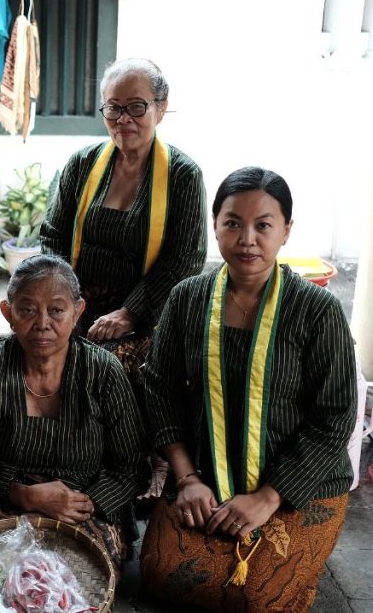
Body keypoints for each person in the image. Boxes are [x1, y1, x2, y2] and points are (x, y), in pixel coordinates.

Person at [140, 167, 356, 612]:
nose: (247, 239)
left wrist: (267, 497)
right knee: (163, 573)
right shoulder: (187, 298)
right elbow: (160, 390)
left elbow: (334, 418)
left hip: (300, 484)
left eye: (263, 225)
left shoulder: (317, 311)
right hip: (205, 473)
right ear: (214, 224)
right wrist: (187, 479)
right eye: (233, 222)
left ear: (286, 231)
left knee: (257, 595)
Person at [0, 255, 145, 570]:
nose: (42, 323)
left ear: (77, 312)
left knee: (71, 574)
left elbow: (133, 467)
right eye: (27, 310)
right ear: (8, 313)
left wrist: (85, 502)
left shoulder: (102, 371)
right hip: (6, 498)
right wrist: (26, 496)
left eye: (56, 310)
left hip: (81, 503)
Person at [40, 58, 206, 380]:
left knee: (101, 370)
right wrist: (63, 300)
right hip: (74, 304)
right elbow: (52, 235)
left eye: (136, 107)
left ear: (161, 108)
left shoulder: (182, 175)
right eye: (114, 108)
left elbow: (185, 259)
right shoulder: (82, 163)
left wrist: (131, 313)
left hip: (143, 315)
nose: (123, 119)